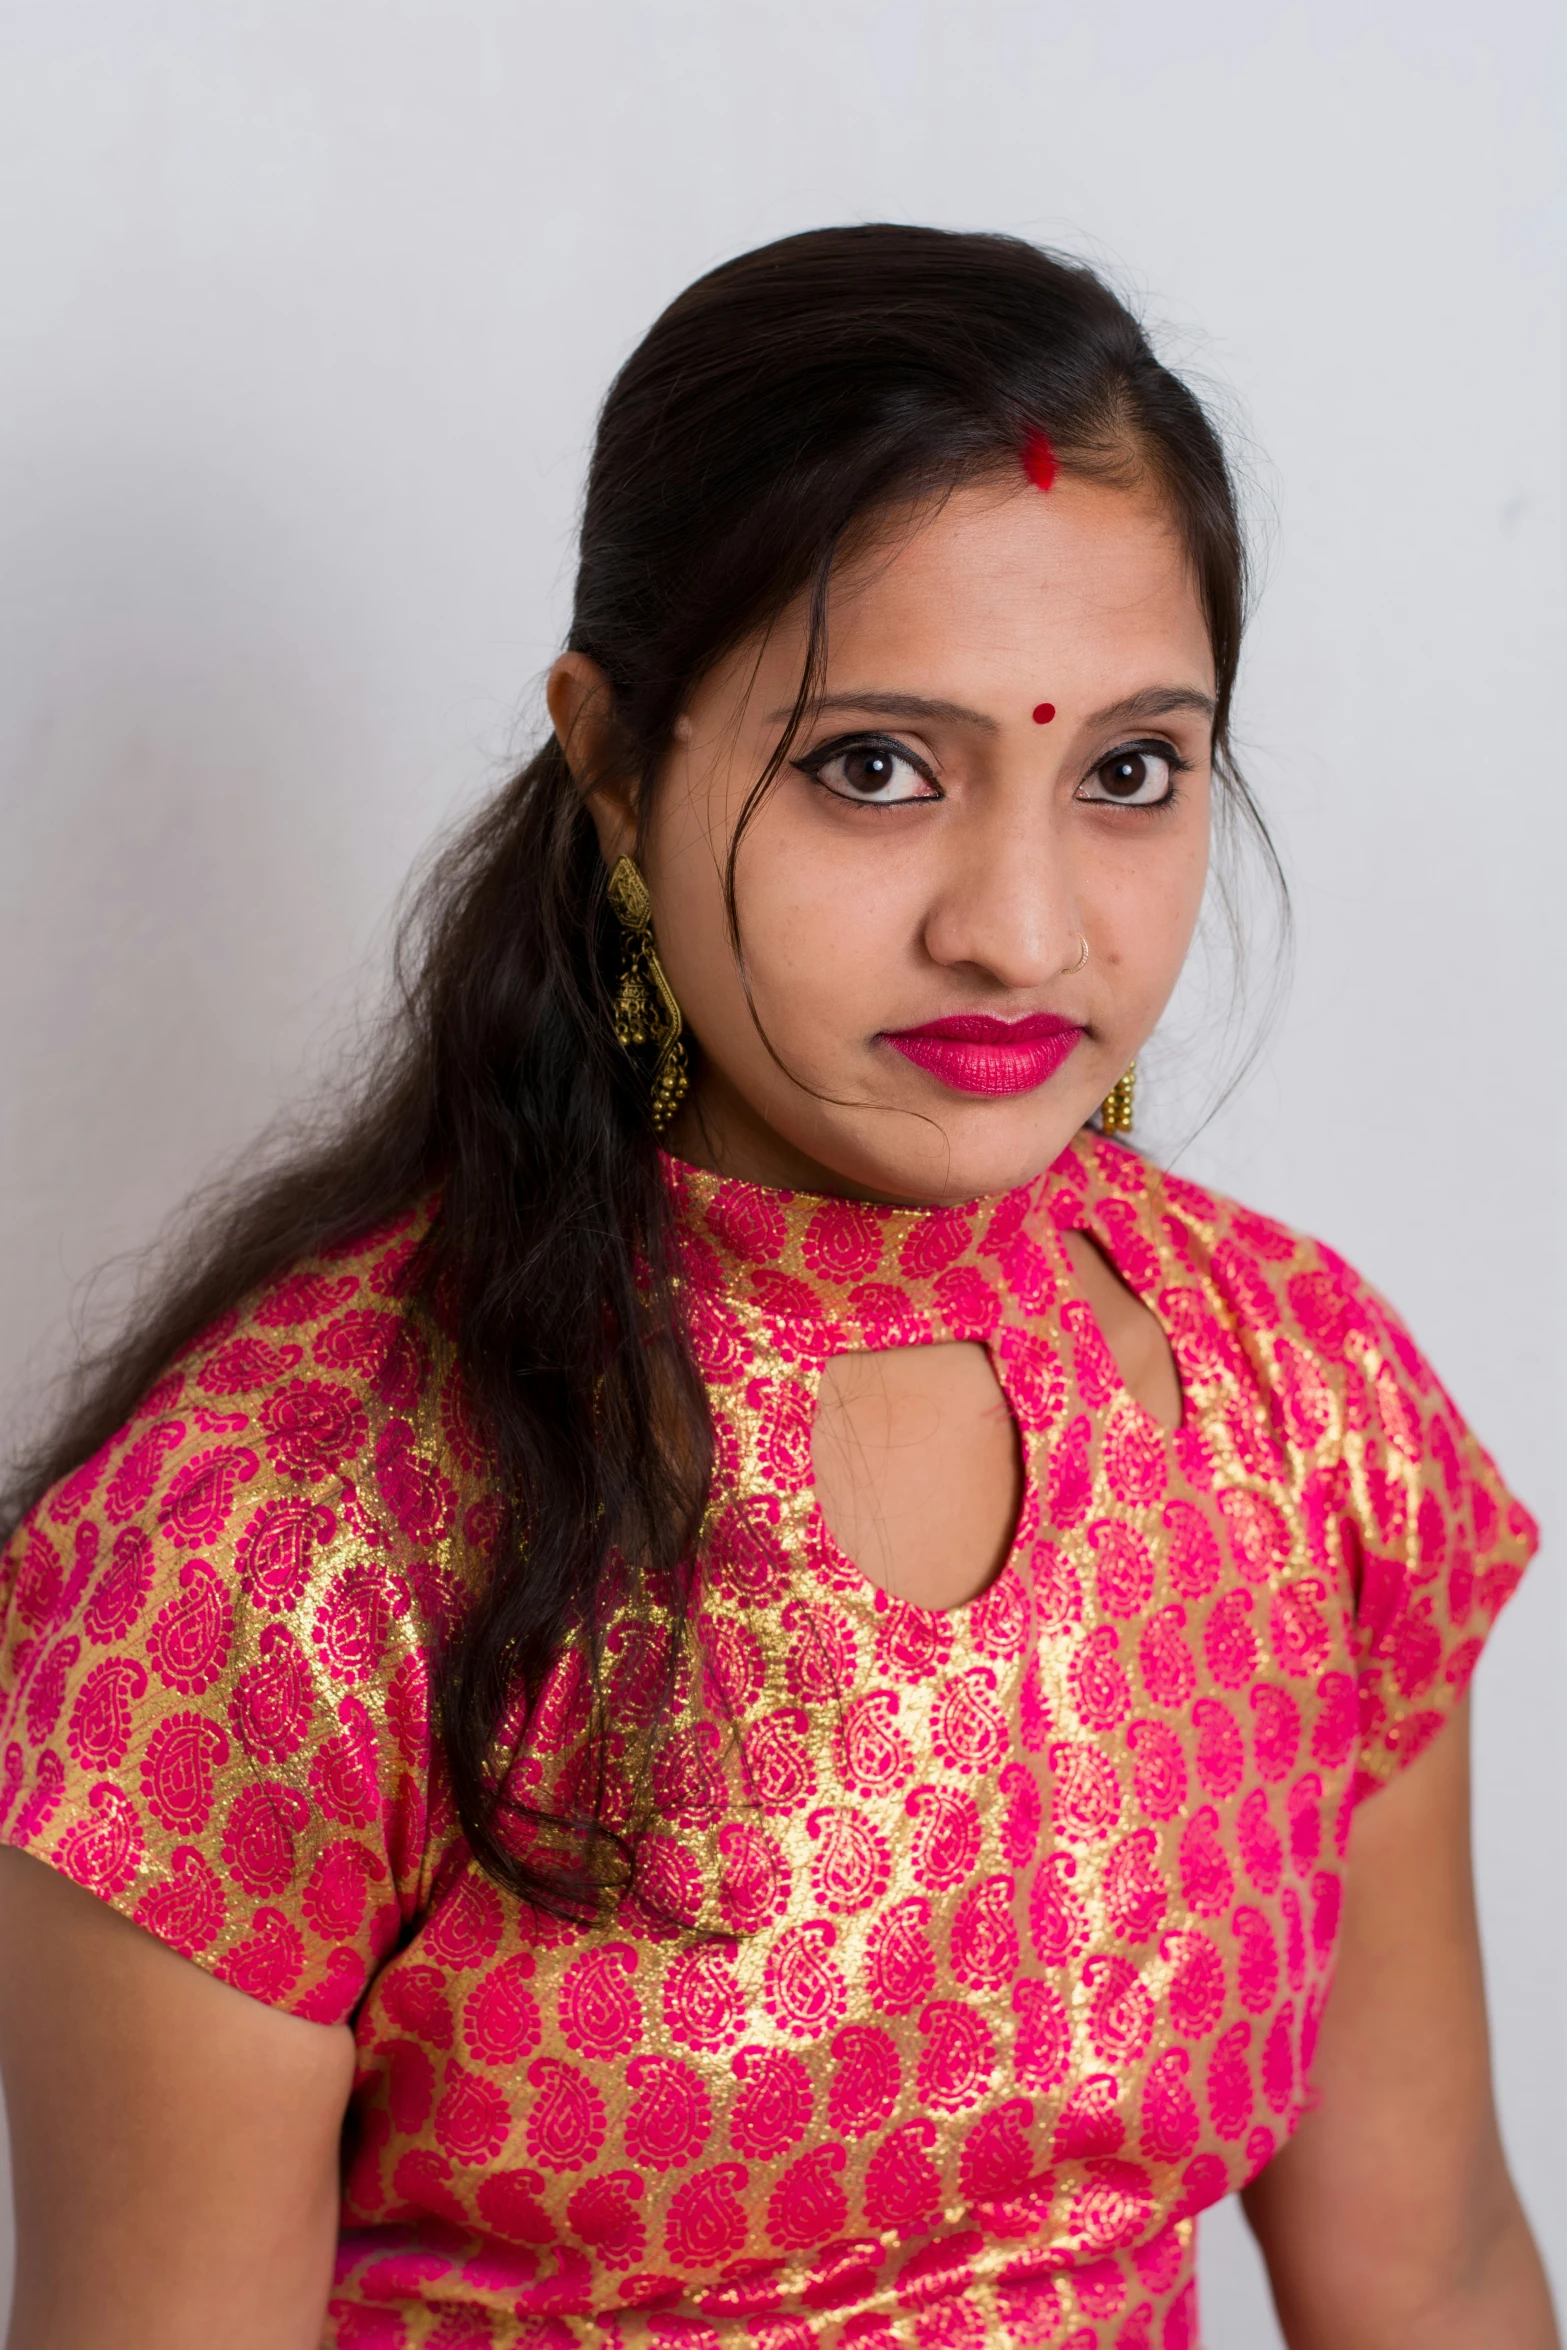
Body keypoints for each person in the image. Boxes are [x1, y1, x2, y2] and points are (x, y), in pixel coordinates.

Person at [0, 224, 1552, 2350]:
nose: (1022, 929)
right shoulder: (269, 1548)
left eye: (1127, 771)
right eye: (874, 768)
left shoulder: (1307, 1410)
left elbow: (1435, 2263)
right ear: (616, 764)